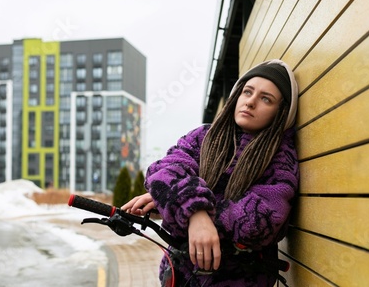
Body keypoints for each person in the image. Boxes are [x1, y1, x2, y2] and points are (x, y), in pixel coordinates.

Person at [122, 59, 299, 286]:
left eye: (266, 99)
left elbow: (258, 221)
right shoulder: (204, 136)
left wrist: (181, 207)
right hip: (179, 275)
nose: (251, 102)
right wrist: (193, 213)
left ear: (281, 112)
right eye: (247, 92)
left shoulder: (281, 158)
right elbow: (164, 172)